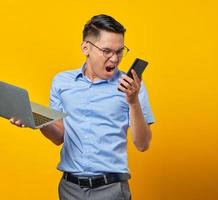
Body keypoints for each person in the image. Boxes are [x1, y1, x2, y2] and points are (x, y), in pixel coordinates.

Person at [10, 14, 155, 200]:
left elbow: (142, 144)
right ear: (85, 48)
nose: (115, 58)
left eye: (120, 51)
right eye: (107, 51)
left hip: (111, 190)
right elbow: (59, 137)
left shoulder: (132, 88)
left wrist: (133, 101)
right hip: (70, 189)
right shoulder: (62, 82)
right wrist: (35, 119)